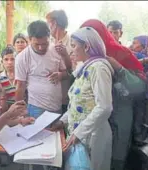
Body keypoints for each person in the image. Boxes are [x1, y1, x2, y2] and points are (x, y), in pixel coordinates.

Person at [80, 19, 146, 170]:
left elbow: (140, 87)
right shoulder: (86, 56)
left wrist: (118, 68)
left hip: (119, 114)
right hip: (94, 116)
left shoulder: (121, 53)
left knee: (115, 157)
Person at [51, 27, 114, 170]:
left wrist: (79, 133)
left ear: (86, 46)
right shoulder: (85, 68)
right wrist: (62, 121)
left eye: (73, 46)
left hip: (94, 135)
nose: (71, 50)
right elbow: (77, 103)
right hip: (79, 134)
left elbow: (104, 107)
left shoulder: (99, 68)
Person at [15, 20, 68, 118]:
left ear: (49, 38)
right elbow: (20, 86)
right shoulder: (22, 57)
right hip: (36, 108)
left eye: (44, 44)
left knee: (56, 133)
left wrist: (60, 75)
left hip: (56, 107)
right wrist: (19, 112)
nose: (40, 48)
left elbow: (67, 73)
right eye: (36, 44)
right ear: (29, 39)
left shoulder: (56, 50)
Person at [46, 9, 72, 114]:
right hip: (48, 99)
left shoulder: (73, 42)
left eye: (47, 24)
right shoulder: (47, 42)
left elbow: (75, 71)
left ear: (54, 24)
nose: (47, 28)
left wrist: (62, 75)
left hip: (65, 99)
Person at [0, 46, 17, 113]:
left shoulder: (22, 77)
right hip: (5, 113)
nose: (9, 62)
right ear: (2, 61)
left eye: (12, 59)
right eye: (6, 59)